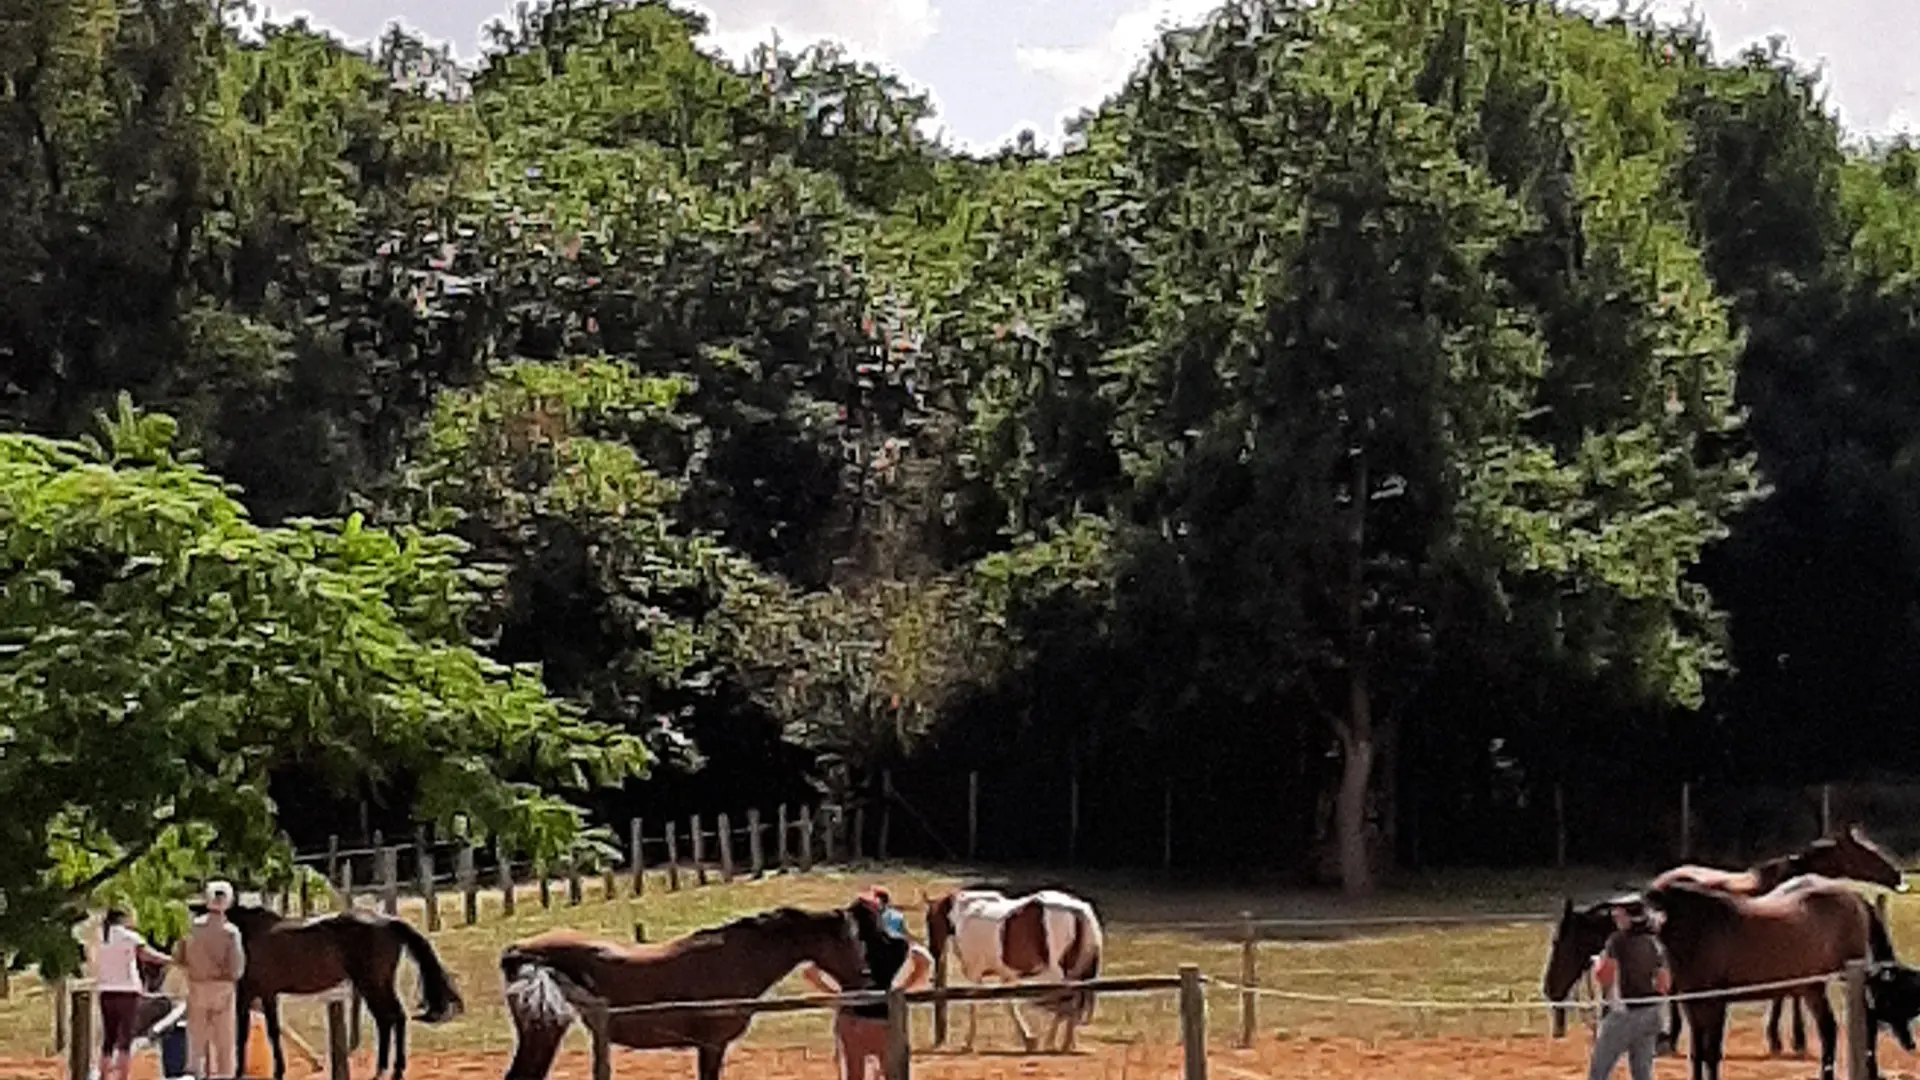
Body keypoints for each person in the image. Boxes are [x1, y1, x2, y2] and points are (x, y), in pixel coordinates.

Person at [801, 888, 934, 1080]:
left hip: (852, 1017)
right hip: (884, 1017)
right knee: (891, 1073)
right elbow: (924, 959)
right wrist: (904, 988)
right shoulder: (896, 945)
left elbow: (810, 973)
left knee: (855, 1074)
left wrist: (837, 995)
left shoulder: (842, 950)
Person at [1586, 898, 1671, 1080]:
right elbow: (1664, 983)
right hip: (1651, 1013)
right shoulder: (1654, 942)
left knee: (1598, 1072)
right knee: (1642, 1073)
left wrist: (1597, 965)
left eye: (1619, 913)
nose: (1615, 916)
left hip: (1623, 1015)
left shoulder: (1617, 941)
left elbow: (1605, 976)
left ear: (1630, 918)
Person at [175, 881, 246, 1080]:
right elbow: (236, 968)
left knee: (195, 1040)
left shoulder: (191, 928)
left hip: (197, 985)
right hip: (223, 988)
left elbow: (179, 957)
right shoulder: (231, 932)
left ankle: (194, 1074)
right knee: (224, 1041)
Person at [92, 907, 173, 1080]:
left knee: (109, 1037)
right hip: (127, 990)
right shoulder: (128, 936)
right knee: (125, 1038)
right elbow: (148, 955)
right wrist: (171, 959)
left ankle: (103, 1075)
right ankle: (123, 1076)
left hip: (106, 990)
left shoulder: (101, 937)